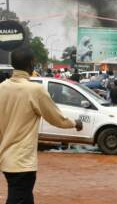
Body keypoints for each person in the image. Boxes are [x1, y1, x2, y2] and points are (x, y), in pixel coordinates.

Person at [0, 47, 83, 204]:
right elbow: (56, 118)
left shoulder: (2, 88)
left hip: (6, 158)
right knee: (19, 199)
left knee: (23, 197)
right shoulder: (35, 90)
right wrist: (75, 123)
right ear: (31, 65)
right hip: (22, 162)